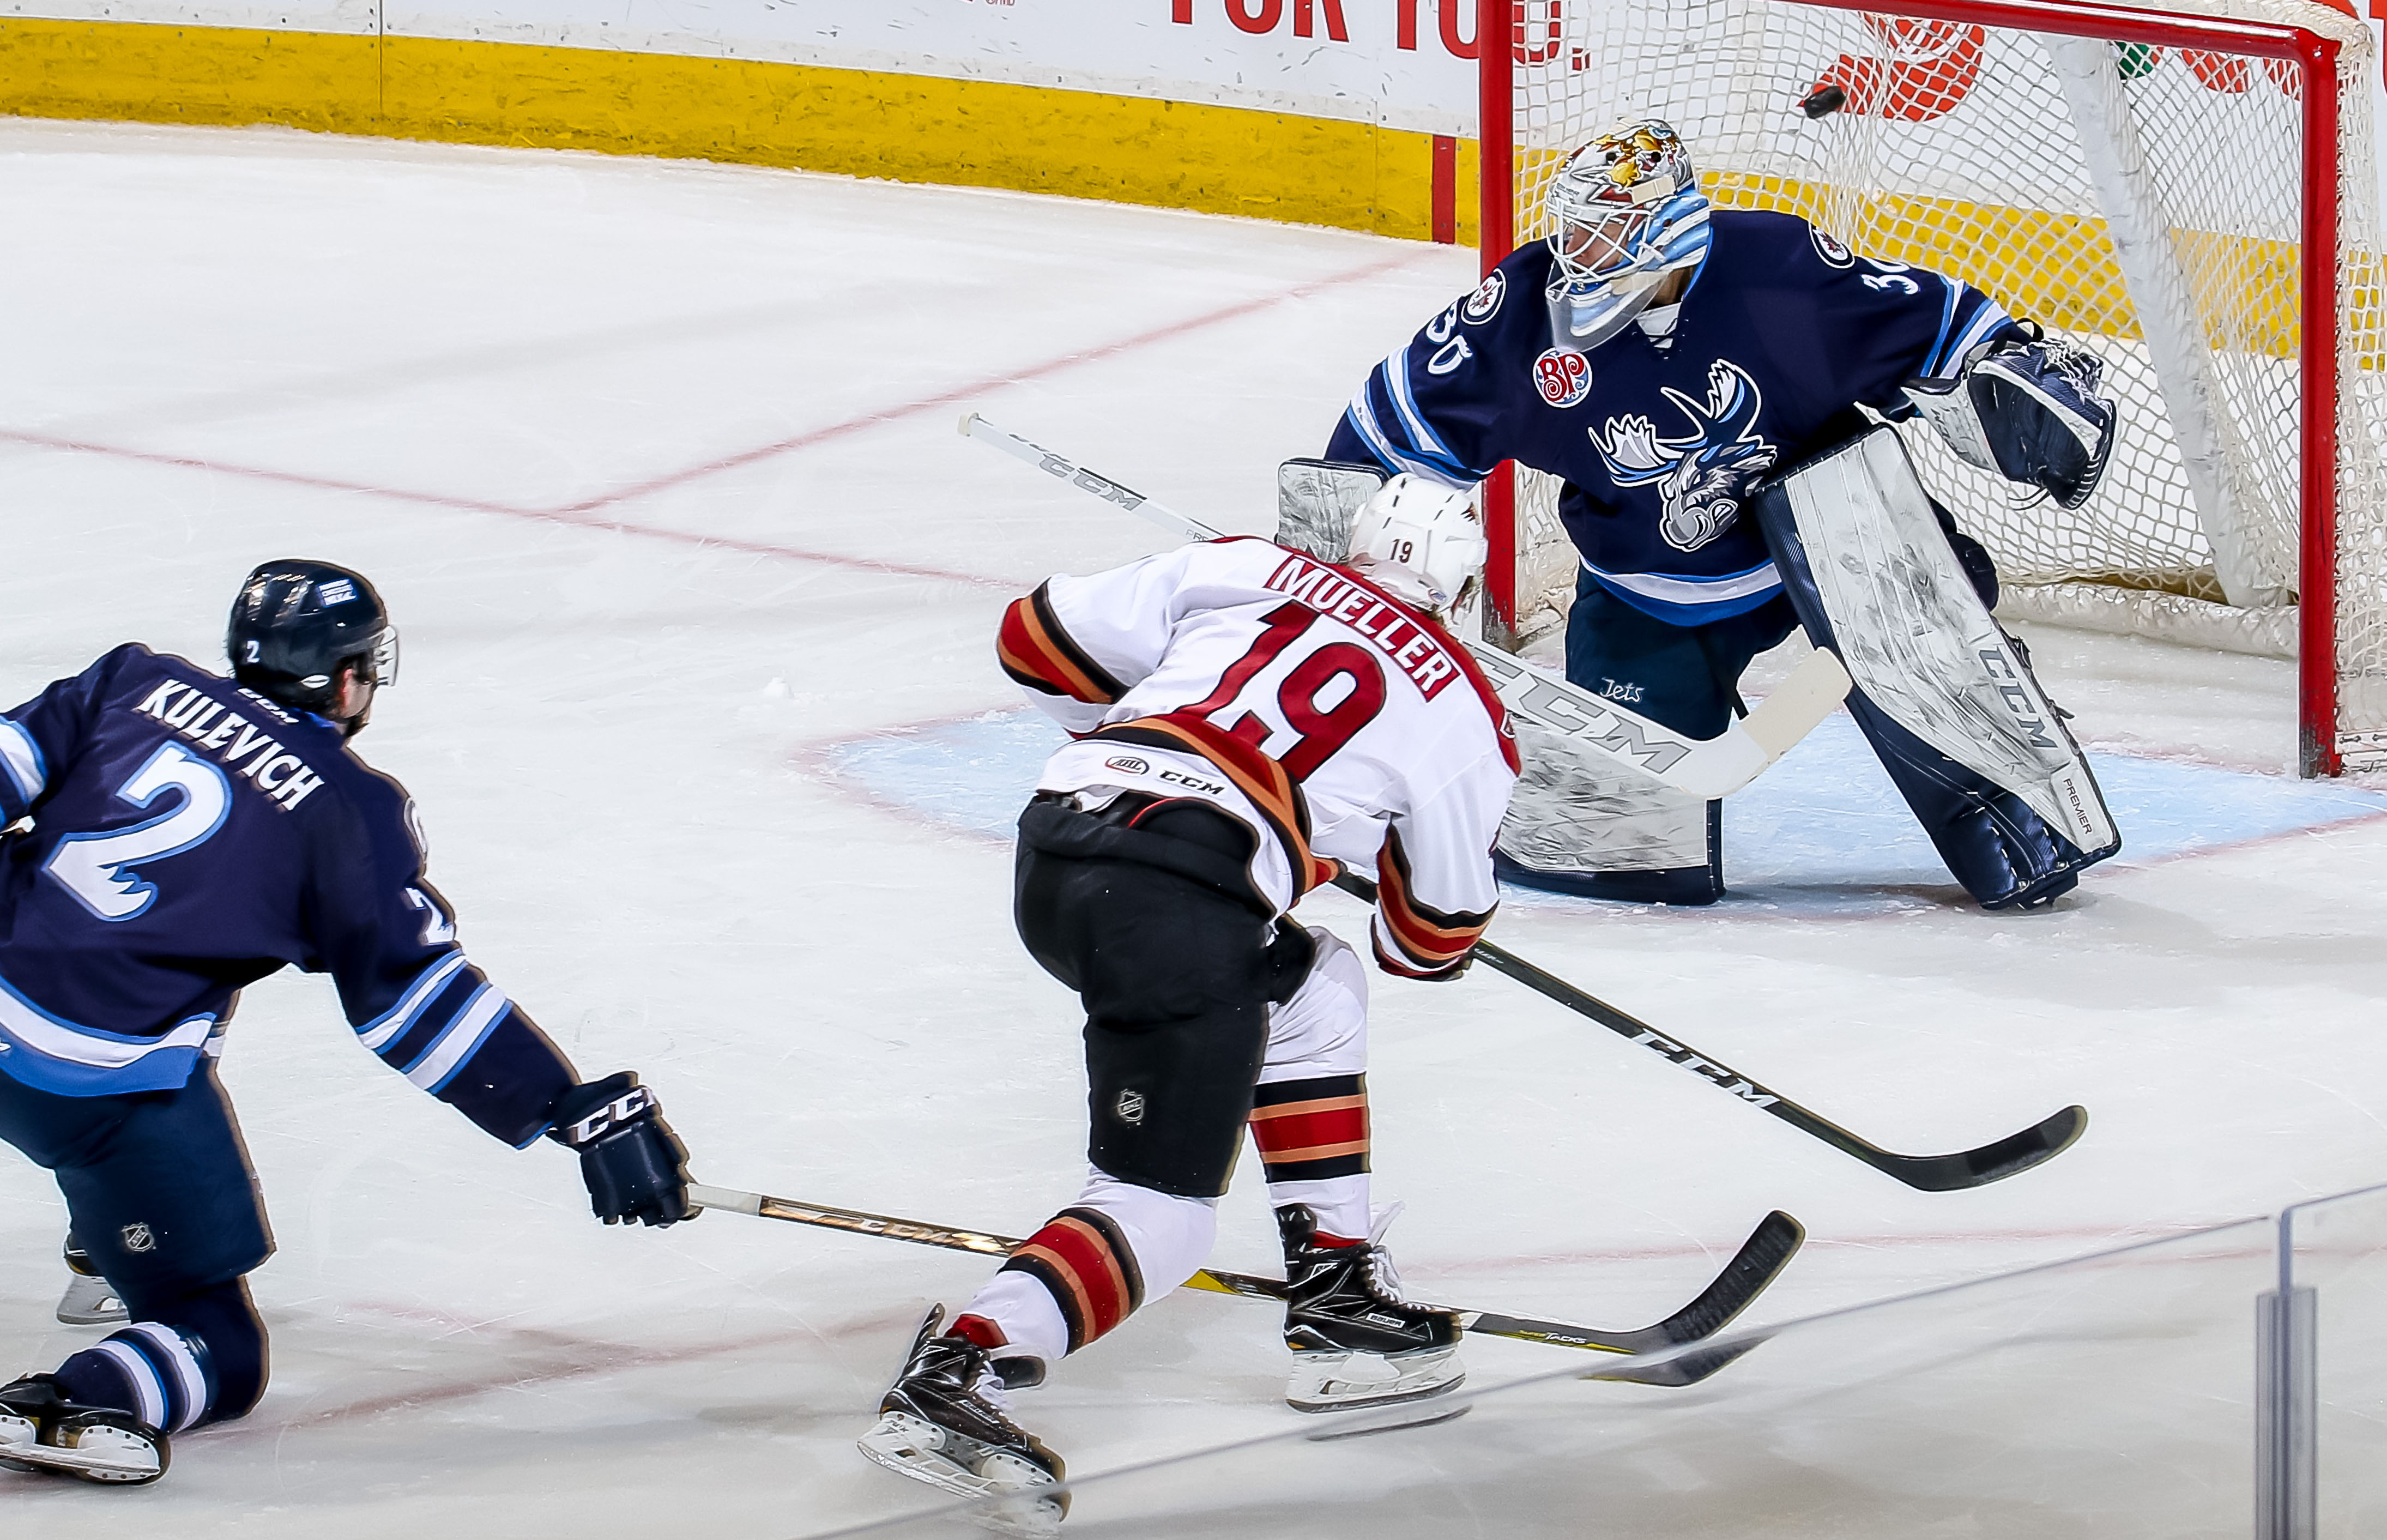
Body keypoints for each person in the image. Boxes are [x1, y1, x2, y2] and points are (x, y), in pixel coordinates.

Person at [856, 478, 1518, 1527]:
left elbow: (1033, 636)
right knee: (1161, 1217)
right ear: (1467, 587)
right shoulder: (1462, 708)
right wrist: (1331, 838)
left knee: (1313, 985)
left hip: (1063, 842)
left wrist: (1147, 747)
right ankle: (962, 1371)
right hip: (1178, 908)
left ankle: (1339, 1296)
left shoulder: (1243, 564)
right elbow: (1428, 941)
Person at [0, 561, 694, 1487]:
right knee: (219, 1344)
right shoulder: (346, 811)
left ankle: (108, 1238)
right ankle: (79, 1395)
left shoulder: (132, 680)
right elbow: (412, 1000)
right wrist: (564, 1105)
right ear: (346, 677)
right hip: (89, 1084)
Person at [1324, 118, 2119, 909]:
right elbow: (1388, 427)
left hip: (1836, 542)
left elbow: (1937, 322)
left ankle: (1995, 743)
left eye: (1606, 237)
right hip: (1646, 587)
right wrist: (1345, 548)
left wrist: (2003, 370)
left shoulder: (1781, 273)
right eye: (1573, 232)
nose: (1578, 256)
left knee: (2010, 813)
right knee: (1621, 854)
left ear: (1670, 234)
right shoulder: (1523, 314)